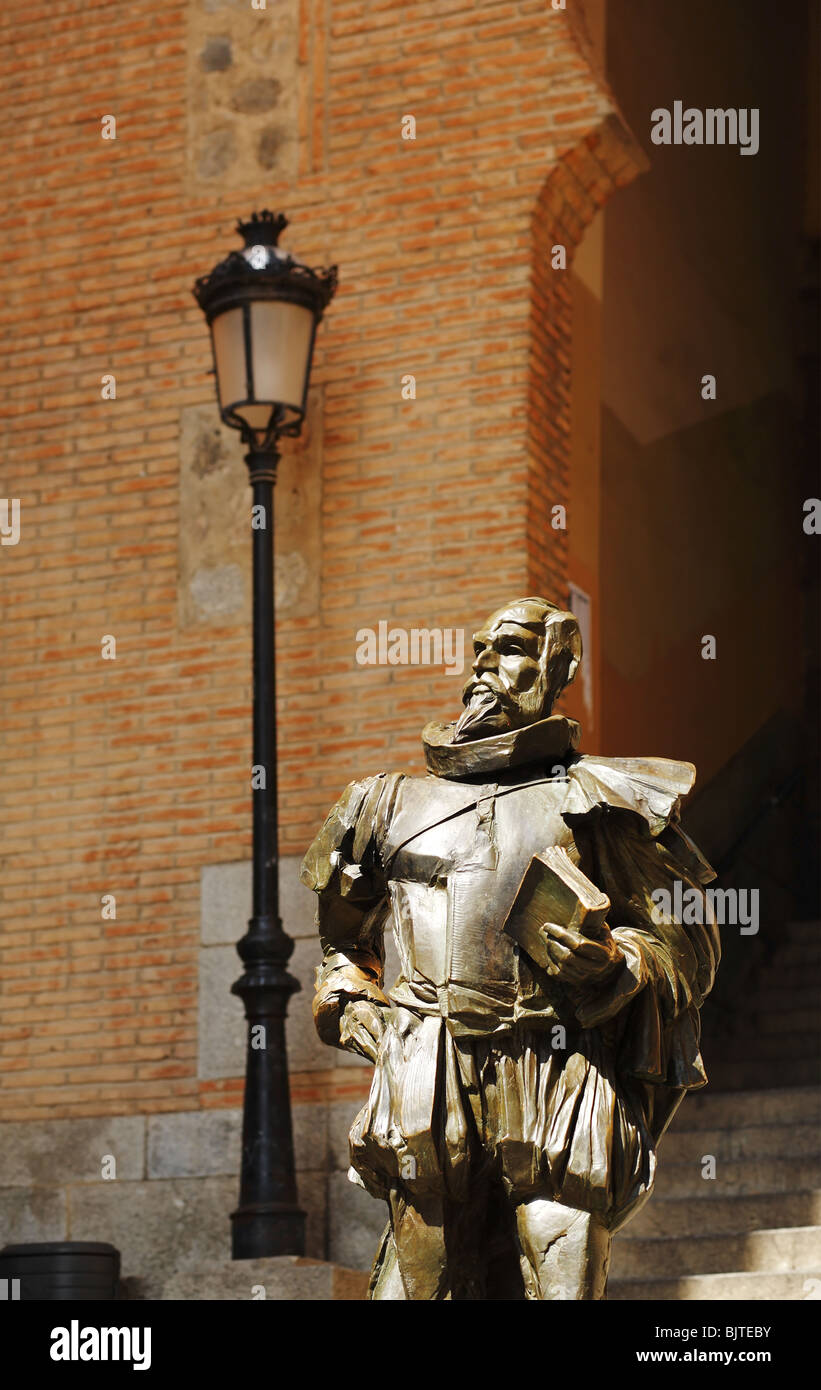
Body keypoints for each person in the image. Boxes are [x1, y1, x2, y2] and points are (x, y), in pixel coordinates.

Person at [300, 597, 720, 1299]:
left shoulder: (600, 800)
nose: (487, 663)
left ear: (561, 666)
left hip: (555, 1068)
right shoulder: (381, 805)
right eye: (480, 650)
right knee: (417, 1289)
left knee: (559, 1280)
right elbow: (342, 947)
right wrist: (355, 1010)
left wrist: (619, 964)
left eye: (515, 647)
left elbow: (684, 944)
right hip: (425, 1072)